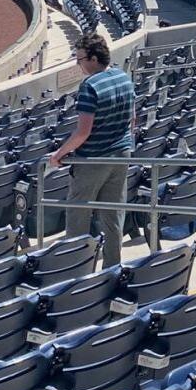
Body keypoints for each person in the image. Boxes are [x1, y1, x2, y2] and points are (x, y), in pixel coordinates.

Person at [48, 33, 135, 267]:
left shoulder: (89, 86)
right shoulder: (123, 78)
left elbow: (82, 132)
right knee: (113, 216)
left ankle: (74, 270)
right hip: (121, 155)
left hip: (92, 160)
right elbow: (132, 120)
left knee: (78, 216)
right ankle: (112, 268)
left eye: (80, 59)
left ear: (94, 58)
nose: (79, 64)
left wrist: (58, 155)